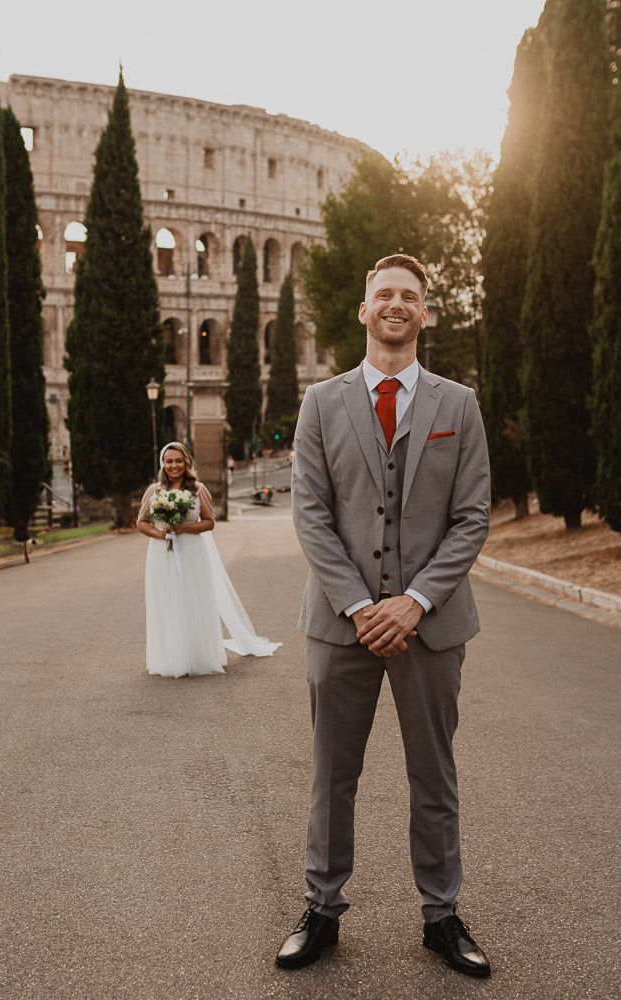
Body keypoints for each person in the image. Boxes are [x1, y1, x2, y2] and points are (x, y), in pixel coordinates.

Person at [276, 254, 492, 978]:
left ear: (424, 314)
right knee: (331, 775)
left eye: (410, 296)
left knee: (434, 775)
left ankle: (441, 916)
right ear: (362, 311)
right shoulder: (320, 402)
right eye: (384, 295)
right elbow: (310, 515)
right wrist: (365, 605)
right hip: (341, 624)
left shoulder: (457, 404)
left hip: (431, 625)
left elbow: (469, 518)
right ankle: (321, 910)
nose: (396, 304)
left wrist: (414, 601)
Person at [137, 441, 281, 678]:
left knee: (193, 600)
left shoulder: (198, 489)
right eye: (169, 461)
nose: (174, 465)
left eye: (179, 461)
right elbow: (141, 523)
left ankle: (197, 656)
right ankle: (170, 657)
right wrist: (160, 533)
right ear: (163, 464)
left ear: (186, 462)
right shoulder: (153, 491)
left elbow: (209, 521)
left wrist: (185, 528)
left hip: (192, 552)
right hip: (161, 554)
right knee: (166, 601)